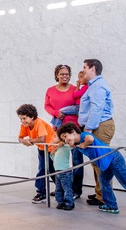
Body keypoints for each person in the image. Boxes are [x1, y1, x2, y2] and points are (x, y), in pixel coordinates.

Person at [57, 123, 126, 219]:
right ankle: (111, 205)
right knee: (103, 181)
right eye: (63, 139)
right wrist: (61, 142)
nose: (66, 140)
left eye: (66, 136)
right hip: (106, 163)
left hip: (114, 159)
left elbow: (90, 139)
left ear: (73, 132)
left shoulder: (84, 135)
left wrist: (84, 144)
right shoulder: (76, 145)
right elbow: (65, 144)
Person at [78, 58, 115, 206]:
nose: (83, 70)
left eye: (85, 67)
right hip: (97, 126)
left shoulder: (98, 86)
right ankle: (101, 194)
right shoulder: (93, 86)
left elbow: (96, 109)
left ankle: (106, 198)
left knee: (102, 162)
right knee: (96, 162)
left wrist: (88, 130)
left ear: (93, 68)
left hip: (99, 126)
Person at [44, 64, 84, 199]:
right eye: (62, 74)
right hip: (58, 129)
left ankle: (76, 190)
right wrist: (56, 113)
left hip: (74, 129)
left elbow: (79, 106)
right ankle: (61, 187)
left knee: (77, 160)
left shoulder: (74, 89)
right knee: (56, 159)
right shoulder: (50, 90)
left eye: (67, 74)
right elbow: (47, 106)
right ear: (57, 75)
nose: (64, 76)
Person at [17, 104, 56, 204]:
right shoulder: (24, 126)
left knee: (45, 170)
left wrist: (29, 140)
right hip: (42, 148)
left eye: (24, 118)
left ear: (32, 116)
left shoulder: (39, 123)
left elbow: (42, 139)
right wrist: (23, 141)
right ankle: (61, 189)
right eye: (21, 119)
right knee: (48, 169)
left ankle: (41, 193)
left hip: (52, 148)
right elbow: (20, 138)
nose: (22, 121)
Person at [50, 135, 74, 211]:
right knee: (58, 188)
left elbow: (73, 145)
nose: (53, 138)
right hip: (57, 172)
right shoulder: (56, 148)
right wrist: (53, 152)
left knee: (67, 188)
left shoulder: (65, 146)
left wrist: (63, 142)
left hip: (65, 171)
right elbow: (54, 159)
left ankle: (69, 203)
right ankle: (60, 202)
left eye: (55, 137)